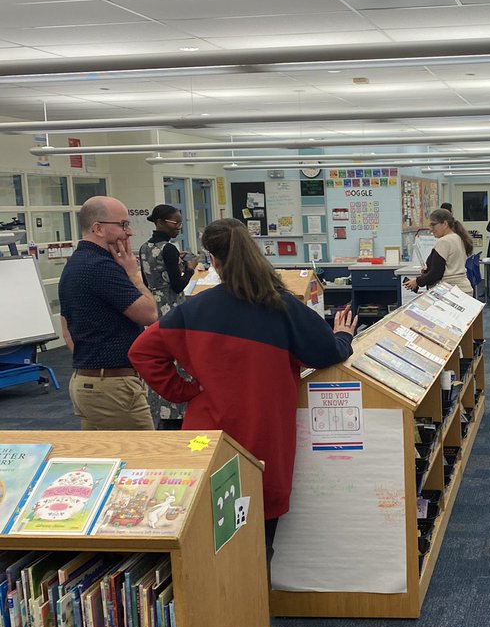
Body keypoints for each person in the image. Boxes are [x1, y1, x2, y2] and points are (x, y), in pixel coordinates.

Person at [129, 218, 357, 567]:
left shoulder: (193, 310)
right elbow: (327, 352)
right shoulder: (280, 306)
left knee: (210, 536)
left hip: (207, 440)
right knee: (257, 543)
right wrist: (343, 335)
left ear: (214, 261)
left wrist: (185, 391)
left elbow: (142, 351)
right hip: (262, 437)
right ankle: (252, 613)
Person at [58, 196, 158, 431]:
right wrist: (133, 275)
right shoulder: (101, 268)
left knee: (105, 460)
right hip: (111, 386)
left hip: (89, 382)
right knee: (143, 460)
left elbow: (67, 331)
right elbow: (149, 314)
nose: (130, 232)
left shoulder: (76, 264)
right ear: (98, 229)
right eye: (123, 225)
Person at [138, 204, 199, 430]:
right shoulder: (169, 249)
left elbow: (148, 281)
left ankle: (159, 408)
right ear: (161, 222)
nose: (178, 229)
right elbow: (178, 284)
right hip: (172, 306)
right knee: (178, 358)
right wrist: (190, 268)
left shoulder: (144, 248)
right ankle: (178, 411)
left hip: (154, 305)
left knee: (158, 355)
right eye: (176, 224)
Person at [404, 209, 474, 296]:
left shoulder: (444, 241)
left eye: (433, 225)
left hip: (450, 292)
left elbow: (436, 273)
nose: (430, 229)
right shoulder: (458, 237)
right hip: (463, 289)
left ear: (445, 224)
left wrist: (417, 281)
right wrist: (428, 271)